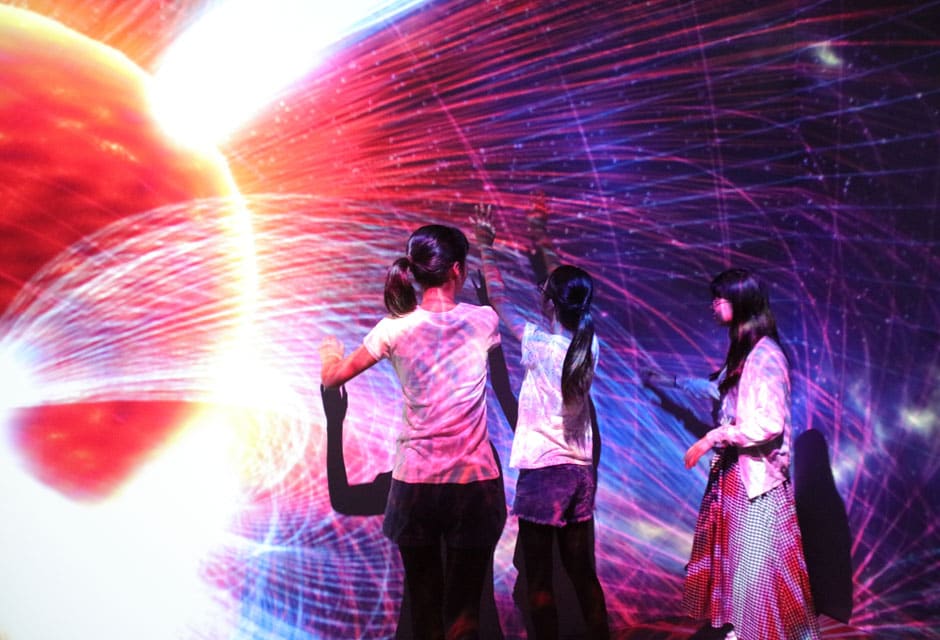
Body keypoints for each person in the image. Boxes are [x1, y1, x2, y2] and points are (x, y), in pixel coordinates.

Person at [320, 224, 506, 640]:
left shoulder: (394, 328)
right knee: (465, 616)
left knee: (424, 611)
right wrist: (487, 249)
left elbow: (333, 378)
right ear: (457, 269)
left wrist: (329, 355)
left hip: (415, 486)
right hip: (473, 485)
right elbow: (498, 297)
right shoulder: (483, 321)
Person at [471, 204, 610, 639]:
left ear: (549, 301)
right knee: (582, 574)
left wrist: (485, 247)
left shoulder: (538, 345)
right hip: (580, 473)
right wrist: (541, 237)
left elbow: (500, 300)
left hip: (545, 475)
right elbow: (565, 284)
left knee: (540, 579)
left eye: (543, 290)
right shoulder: (589, 345)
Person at [681, 268, 820, 640]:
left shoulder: (766, 355)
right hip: (738, 475)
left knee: (757, 569)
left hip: (758, 481)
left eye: (720, 298)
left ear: (740, 301)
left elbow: (769, 423)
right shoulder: (744, 353)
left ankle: (759, 633)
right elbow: (720, 392)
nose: (713, 305)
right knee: (740, 564)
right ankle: (743, 630)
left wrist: (715, 436)